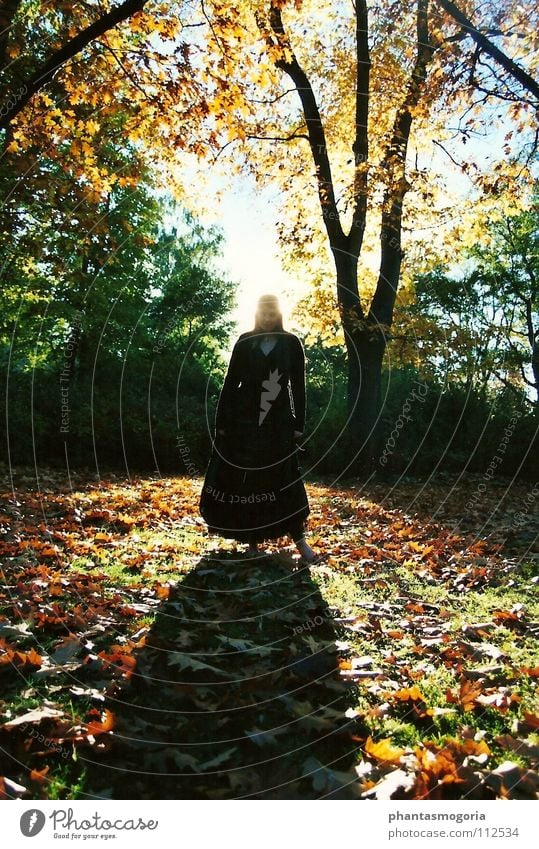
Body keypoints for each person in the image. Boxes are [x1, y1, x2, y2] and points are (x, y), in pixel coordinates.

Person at [199, 294, 321, 563]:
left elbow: (298, 387)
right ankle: (252, 542)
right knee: (249, 482)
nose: (267, 319)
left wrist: (298, 424)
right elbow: (231, 383)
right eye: (263, 314)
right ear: (256, 314)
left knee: (283, 479)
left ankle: (300, 543)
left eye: (271, 314)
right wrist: (221, 423)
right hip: (245, 421)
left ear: (278, 314)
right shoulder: (245, 342)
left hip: (278, 422)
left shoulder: (291, 344)